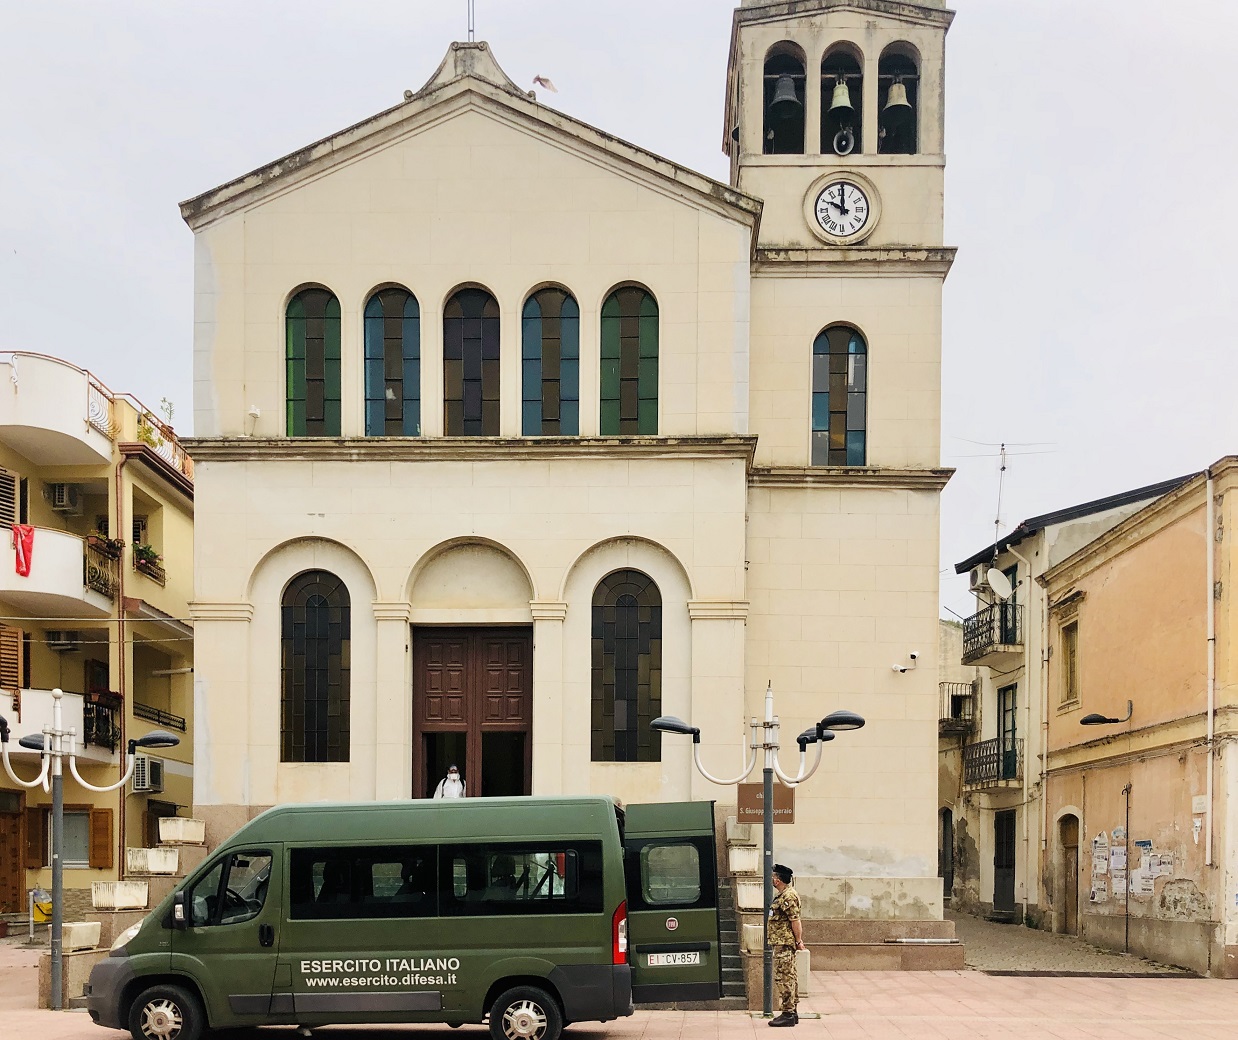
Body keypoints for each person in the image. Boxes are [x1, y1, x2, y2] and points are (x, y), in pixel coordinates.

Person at [767, 863, 805, 1027]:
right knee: (789, 977)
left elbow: (795, 921)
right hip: (782, 943)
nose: (772, 879)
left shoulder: (788, 897)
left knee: (784, 978)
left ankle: (788, 1013)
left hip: (785, 944)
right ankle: (792, 1012)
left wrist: (798, 941)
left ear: (778, 880)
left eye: (774, 877)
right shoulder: (784, 895)